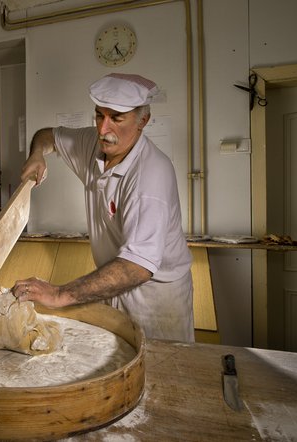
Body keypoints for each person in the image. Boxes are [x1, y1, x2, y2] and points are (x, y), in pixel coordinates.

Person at [12, 73, 194, 342]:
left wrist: (59, 294)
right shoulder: (93, 143)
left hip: (156, 301)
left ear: (143, 120)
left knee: (159, 374)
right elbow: (46, 136)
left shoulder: (150, 175)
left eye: (117, 118)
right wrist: (37, 154)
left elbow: (137, 268)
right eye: (99, 115)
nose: (102, 129)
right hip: (114, 283)